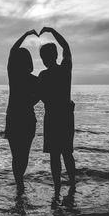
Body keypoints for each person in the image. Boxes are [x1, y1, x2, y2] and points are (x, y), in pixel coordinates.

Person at [38, 27, 76, 198]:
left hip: (53, 117)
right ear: (55, 56)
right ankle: (73, 184)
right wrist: (52, 31)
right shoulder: (65, 69)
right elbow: (66, 47)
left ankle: (57, 188)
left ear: (44, 60)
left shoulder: (43, 76)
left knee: (55, 156)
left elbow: (42, 97)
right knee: (67, 153)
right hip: (66, 116)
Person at [4, 30, 39, 194]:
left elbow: (12, 51)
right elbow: (40, 96)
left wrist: (25, 35)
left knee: (16, 156)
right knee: (23, 155)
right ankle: (20, 182)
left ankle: (19, 182)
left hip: (14, 119)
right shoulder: (33, 79)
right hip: (27, 120)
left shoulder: (14, 75)